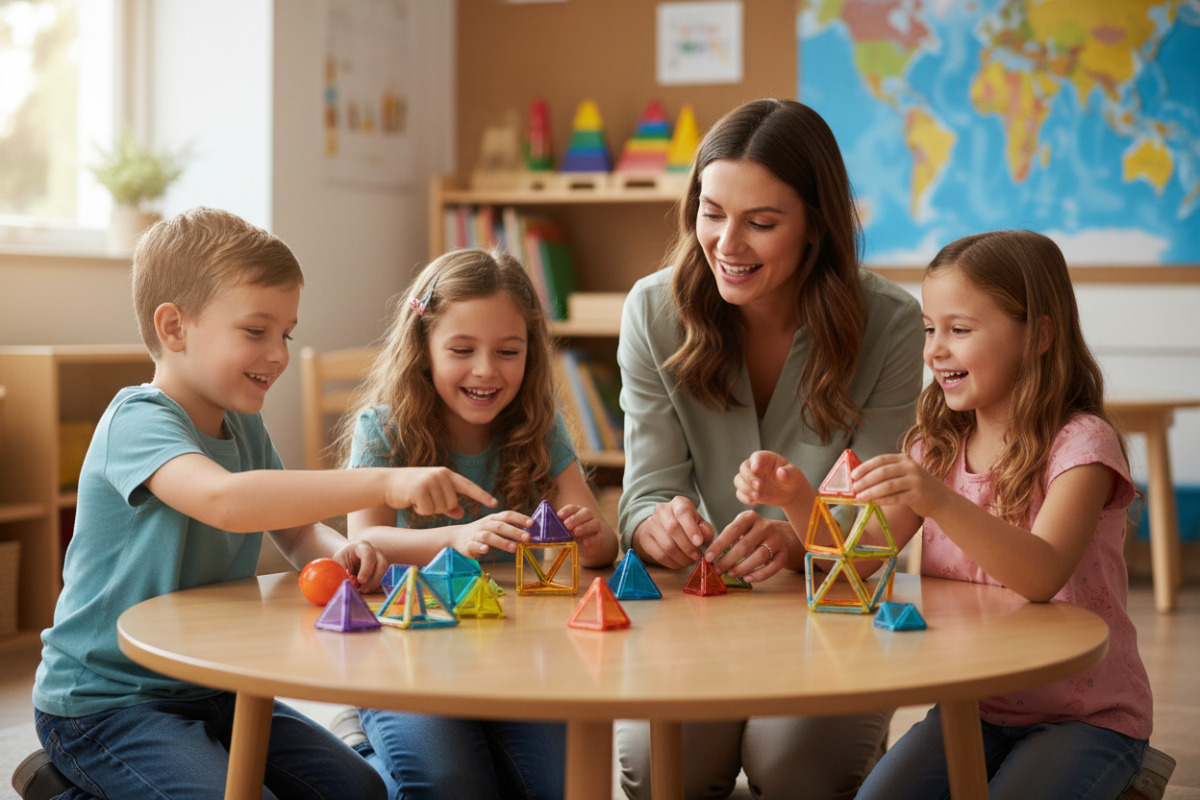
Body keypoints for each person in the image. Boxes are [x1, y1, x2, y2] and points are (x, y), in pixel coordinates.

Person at [18, 207, 498, 800]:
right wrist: (381, 483)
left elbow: (294, 530)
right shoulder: (136, 421)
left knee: (361, 792)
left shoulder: (243, 427)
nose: (278, 354)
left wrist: (341, 553)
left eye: (285, 334)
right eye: (255, 331)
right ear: (174, 328)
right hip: (109, 702)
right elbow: (225, 501)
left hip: (213, 685)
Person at [739, 230, 1153, 800]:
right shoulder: (935, 447)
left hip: (1086, 717)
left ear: (1039, 336)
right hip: (972, 709)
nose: (935, 349)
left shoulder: (1082, 445)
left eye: (959, 330)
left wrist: (937, 500)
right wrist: (794, 498)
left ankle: (1128, 775)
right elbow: (855, 563)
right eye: (929, 328)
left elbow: (1042, 573)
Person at [616, 98, 925, 799]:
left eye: (761, 223)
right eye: (712, 213)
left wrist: (793, 543)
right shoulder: (652, 310)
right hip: (703, 607)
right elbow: (646, 490)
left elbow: (878, 524)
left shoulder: (892, 322)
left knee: (794, 769)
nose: (727, 244)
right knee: (663, 769)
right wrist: (656, 524)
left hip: (831, 604)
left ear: (817, 225)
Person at [336, 247, 619, 800]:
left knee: (566, 786)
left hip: (512, 653)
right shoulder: (384, 429)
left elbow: (602, 548)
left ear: (530, 353)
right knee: (449, 784)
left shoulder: (541, 428)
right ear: (423, 349)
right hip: (407, 652)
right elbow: (363, 542)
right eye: (462, 349)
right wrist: (456, 538)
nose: (486, 369)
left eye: (508, 351)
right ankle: (360, 742)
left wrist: (591, 536)